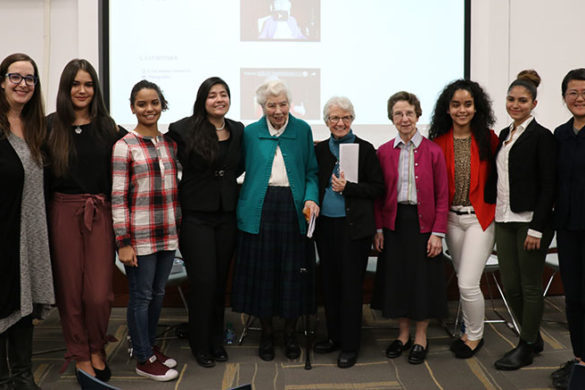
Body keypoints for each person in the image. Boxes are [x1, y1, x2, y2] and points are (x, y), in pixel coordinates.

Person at [45, 59, 122, 384]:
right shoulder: (49, 126)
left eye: (88, 84)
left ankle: (96, 345)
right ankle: (80, 352)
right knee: (70, 291)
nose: (82, 90)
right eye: (75, 84)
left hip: (100, 212)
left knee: (99, 294)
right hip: (63, 211)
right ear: (66, 88)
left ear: (96, 89)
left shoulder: (109, 127)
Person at [231, 79, 319, 362]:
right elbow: (238, 167)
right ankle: (267, 333)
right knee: (264, 275)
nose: (278, 110)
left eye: (283, 104)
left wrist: (311, 197)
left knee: (293, 275)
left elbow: (311, 173)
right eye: (272, 105)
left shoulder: (302, 130)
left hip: (294, 209)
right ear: (262, 106)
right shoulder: (251, 132)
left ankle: (290, 335)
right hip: (260, 209)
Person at [167, 77, 243, 368]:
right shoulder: (183, 129)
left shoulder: (237, 130)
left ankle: (215, 339)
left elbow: (241, 165)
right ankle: (200, 344)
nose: (219, 99)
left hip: (226, 215)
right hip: (196, 215)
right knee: (203, 281)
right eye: (212, 95)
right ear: (203, 99)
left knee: (220, 280)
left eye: (224, 94)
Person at [485, 70, 556, 370]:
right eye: (511, 99)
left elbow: (549, 185)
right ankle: (532, 335)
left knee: (529, 286)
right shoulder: (505, 134)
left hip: (530, 222)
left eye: (522, 100)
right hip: (504, 218)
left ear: (534, 102)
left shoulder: (542, 136)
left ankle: (526, 345)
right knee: (510, 285)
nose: (515, 105)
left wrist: (538, 228)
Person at [372, 91, 449, 365]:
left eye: (409, 113)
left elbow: (443, 195)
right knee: (399, 280)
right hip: (395, 224)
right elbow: (379, 196)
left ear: (418, 115)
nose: (404, 119)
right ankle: (402, 334)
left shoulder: (434, 151)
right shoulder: (382, 152)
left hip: (424, 225)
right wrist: (379, 228)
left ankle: (420, 336)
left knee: (422, 281)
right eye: (398, 114)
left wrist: (438, 233)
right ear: (391, 118)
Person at [112, 80, 180, 382]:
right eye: (142, 104)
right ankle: (142, 357)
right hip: (138, 237)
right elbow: (118, 197)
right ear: (132, 108)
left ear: (161, 105)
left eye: (154, 103)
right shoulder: (123, 146)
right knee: (141, 297)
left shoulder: (168, 144)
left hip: (167, 233)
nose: (149, 109)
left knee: (157, 293)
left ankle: (149, 347)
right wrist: (122, 242)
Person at [429, 80, 499, 359]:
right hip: (450, 220)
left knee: (467, 283)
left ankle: (474, 336)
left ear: (476, 107)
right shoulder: (437, 143)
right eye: (456, 104)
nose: (462, 110)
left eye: (467, 104)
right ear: (447, 108)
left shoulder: (489, 139)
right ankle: (468, 326)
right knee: (462, 278)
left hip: (479, 219)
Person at [313, 96, 384, 368]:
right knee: (330, 285)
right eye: (334, 118)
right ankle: (334, 337)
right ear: (327, 122)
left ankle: (351, 345)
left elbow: (378, 188)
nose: (340, 122)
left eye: (345, 117)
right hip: (325, 227)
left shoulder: (365, 150)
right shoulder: (319, 151)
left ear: (352, 120)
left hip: (354, 229)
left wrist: (349, 188)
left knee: (351, 287)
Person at [0, 53, 54, 390]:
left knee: (25, 302)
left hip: (31, 231)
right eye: (15, 77)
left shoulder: (38, 128)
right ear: (2, 81)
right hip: (3, 231)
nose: (23, 84)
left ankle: (22, 374)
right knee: (4, 300)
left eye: (30, 78)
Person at [550, 68, 585, 390]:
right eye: (573, 92)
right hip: (569, 228)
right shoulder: (559, 135)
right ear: (564, 98)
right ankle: (580, 359)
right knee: (573, 297)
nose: (579, 98)